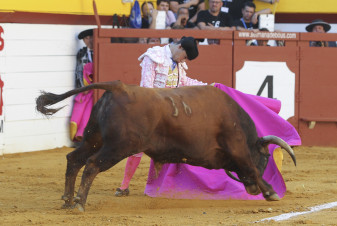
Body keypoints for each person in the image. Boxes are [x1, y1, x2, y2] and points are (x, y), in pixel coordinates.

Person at [115, 37, 207, 196]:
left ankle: (162, 187)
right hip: (149, 110)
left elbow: (184, 82)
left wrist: (206, 87)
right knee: (138, 147)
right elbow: (146, 87)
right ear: (179, 47)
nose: (183, 60)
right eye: (184, 56)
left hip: (170, 112)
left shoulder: (177, 62)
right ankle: (124, 186)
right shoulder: (153, 57)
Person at [70, 29, 94, 142]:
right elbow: (78, 71)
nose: (89, 40)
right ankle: (80, 136)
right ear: (84, 41)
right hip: (86, 88)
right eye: (87, 38)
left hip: (97, 88)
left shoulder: (101, 51)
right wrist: (82, 87)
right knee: (81, 108)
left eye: (91, 37)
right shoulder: (82, 53)